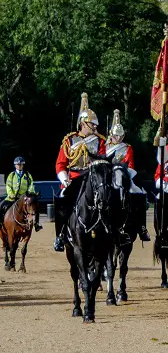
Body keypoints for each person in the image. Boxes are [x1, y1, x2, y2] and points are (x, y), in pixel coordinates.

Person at [53, 93, 107, 251]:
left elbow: (103, 161)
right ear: (84, 123)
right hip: (75, 178)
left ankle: (114, 232)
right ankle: (61, 235)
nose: (95, 127)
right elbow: (61, 164)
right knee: (62, 200)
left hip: (94, 178)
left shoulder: (100, 141)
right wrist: (64, 180)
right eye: (93, 124)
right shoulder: (69, 141)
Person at [106, 110, 150, 241]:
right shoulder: (105, 147)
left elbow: (130, 165)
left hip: (124, 176)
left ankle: (142, 227)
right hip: (109, 176)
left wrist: (126, 176)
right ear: (111, 135)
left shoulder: (127, 147)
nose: (118, 138)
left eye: (120, 136)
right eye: (116, 136)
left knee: (139, 193)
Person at [3, 156, 39, 231]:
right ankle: (1, 223)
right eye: (18, 164)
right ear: (15, 165)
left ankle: (37, 224)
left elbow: (31, 185)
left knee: (35, 206)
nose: (19, 166)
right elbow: (8, 186)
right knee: (2, 206)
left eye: (21, 164)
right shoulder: (11, 175)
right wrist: (11, 194)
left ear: (23, 165)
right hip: (12, 198)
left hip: (25, 198)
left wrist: (29, 193)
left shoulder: (28, 175)